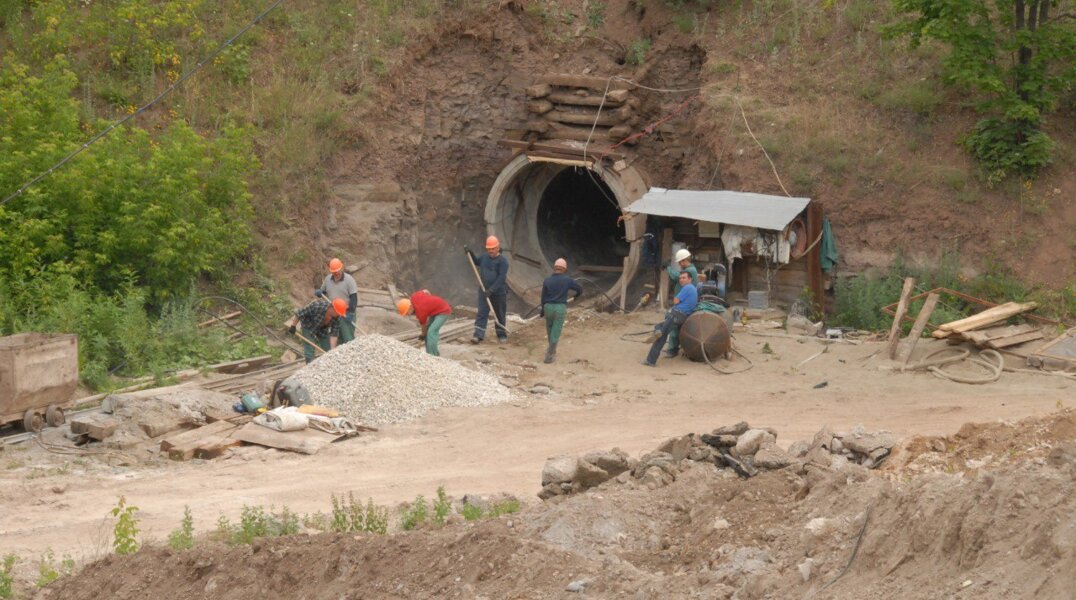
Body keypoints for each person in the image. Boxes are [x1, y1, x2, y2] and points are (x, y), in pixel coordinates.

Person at [642, 271, 698, 366]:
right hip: (683, 316)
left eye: (684, 278)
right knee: (659, 326)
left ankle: (650, 361)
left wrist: (677, 300)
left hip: (676, 315)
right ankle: (658, 331)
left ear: (690, 279)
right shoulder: (693, 288)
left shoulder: (687, 288)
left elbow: (675, 301)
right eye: (680, 278)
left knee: (661, 338)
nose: (681, 280)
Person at [467, 236, 509, 344]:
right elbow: (476, 262)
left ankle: (501, 334)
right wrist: (470, 253)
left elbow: (501, 278)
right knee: (482, 313)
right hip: (484, 291)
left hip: (498, 292)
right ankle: (478, 335)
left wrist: (492, 290)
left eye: (492, 248)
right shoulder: (484, 257)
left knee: (500, 313)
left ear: (497, 248)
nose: (490, 251)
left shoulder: (503, 262)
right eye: (489, 249)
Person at [539, 258, 583, 364]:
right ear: (564, 269)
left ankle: (551, 350)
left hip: (548, 307)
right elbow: (580, 289)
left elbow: (543, 297)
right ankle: (550, 355)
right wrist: (576, 296)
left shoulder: (547, 280)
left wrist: (542, 309)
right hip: (559, 308)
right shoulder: (567, 280)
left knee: (550, 329)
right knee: (556, 331)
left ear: (554, 268)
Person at [287, 297, 347, 363]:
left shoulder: (337, 317)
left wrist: (332, 351)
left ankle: (329, 363)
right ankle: (310, 364)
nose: (339, 315)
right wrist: (293, 326)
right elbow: (300, 313)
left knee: (328, 348)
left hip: (323, 329)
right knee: (309, 347)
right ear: (332, 308)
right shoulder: (317, 306)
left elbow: (334, 334)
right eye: (338, 313)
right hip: (309, 326)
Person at [397, 290, 452, 357]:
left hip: (444, 311)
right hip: (435, 310)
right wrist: (430, 301)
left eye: (407, 312)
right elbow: (426, 291)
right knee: (428, 331)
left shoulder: (420, 311)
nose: (408, 314)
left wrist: (423, 335)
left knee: (431, 331)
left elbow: (424, 327)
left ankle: (432, 356)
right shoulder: (414, 296)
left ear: (410, 307)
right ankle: (433, 352)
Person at [315, 258, 358, 343]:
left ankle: (351, 353)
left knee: (348, 337)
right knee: (336, 336)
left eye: (337, 271)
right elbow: (323, 291)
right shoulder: (328, 279)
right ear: (331, 271)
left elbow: (354, 298)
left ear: (341, 268)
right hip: (334, 312)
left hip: (346, 312)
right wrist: (320, 292)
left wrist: (351, 312)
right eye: (334, 272)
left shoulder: (349, 280)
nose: (336, 273)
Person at [664, 248, 698, 355]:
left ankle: (672, 350)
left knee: (673, 324)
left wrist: (668, 268)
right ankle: (674, 347)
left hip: (683, 304)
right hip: (682, 302)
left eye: (680, 262)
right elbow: (677, 277)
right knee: (673, 324)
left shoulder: (690, 271)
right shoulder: (690, 269)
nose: (679, 264)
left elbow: (676, 276)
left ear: (684, 260)